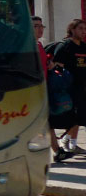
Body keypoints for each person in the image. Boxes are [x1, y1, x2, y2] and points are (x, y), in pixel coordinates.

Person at [34, 16, 75, 162]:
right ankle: (57, 150)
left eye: (41, 26)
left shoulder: (39, 45)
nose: (40, 29)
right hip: (34, 91)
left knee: (47, 122)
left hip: (44, 89)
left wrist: (51, 66)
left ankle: (57, 150)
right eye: (35, 26)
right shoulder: (29, 47)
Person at [52, 18, 86, 155]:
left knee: (80, 116)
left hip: (81, 87)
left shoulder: (83, 46)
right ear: (72, 30)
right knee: (74, 116)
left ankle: (71, 142)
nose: (83, 32)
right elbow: (57, 67)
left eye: (85, 29)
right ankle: (67, 142)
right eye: (80, 29)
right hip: (69, 88)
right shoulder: (65, 46)